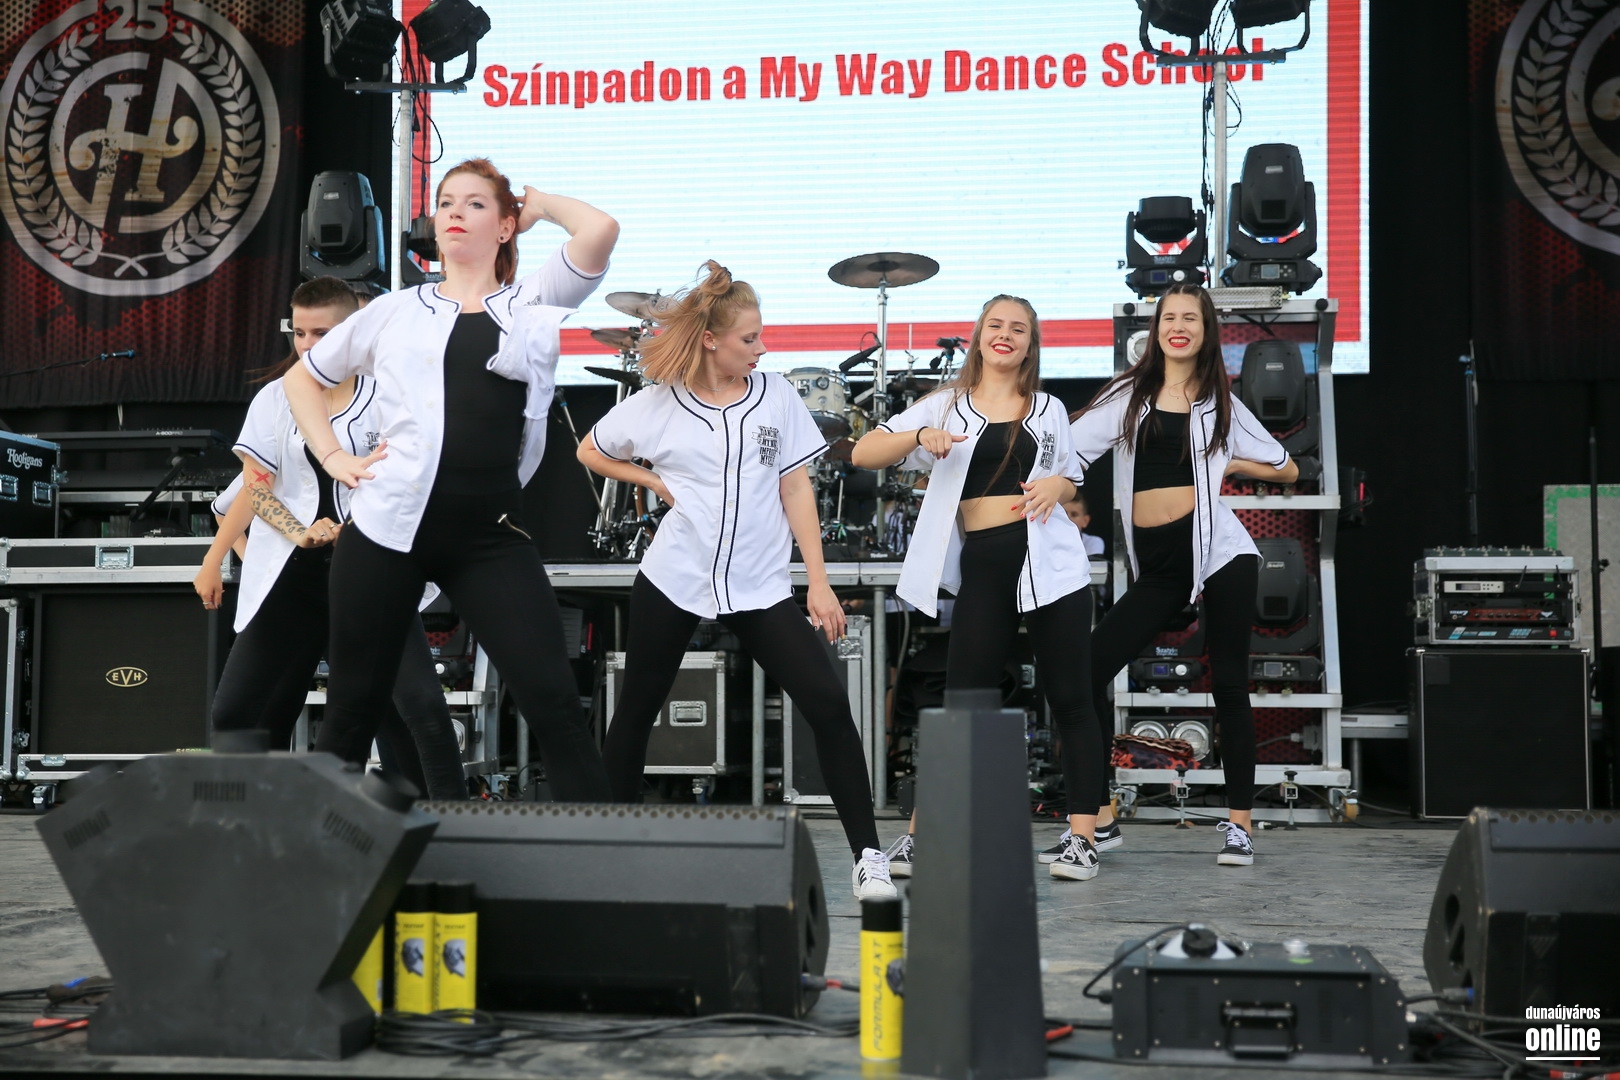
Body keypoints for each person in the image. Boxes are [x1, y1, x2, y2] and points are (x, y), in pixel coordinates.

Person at [285, 158, 619, 802]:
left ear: (504, 227)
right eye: (445, 203)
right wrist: (331, 457)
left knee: (553, 702)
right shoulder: (394, 310)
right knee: (352, 709)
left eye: (474, 203)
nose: (456, 213)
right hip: (386, 529)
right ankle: (319, 855)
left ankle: (605, 857)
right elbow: (303, 379)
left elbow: (600, 229)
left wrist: (538, 203)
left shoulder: (530, 302)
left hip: (490, 534)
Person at [576, 261, 895, 899]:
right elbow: (590, 449)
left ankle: (869, 859)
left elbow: (796, 486)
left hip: (760, 586)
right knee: (635, 711)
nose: (761, 348)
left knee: (830, 707)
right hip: (674, 577)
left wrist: (819, 582)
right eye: (749, 339)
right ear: (710, 341)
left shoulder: (775, 395)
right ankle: (609, 854)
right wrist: (652, 480)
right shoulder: (659, 403)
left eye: (761, 336)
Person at [851, 295, 1103, 882]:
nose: (1005, 335)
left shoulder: (1048, 408)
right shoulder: (946, 405)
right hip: (986, 563)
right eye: (996, 325)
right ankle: (923, 836)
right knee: (962, 702)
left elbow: (1071, 477)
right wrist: (920, 434)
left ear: (1031, 344)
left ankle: (1083, 838)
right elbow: (864, 451)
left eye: (1018, 328)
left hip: (1051, 560)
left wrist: (1059, 487)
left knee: (1071, 697)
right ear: (979, 335)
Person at [196, 277, 465, 797]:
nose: (307, 345)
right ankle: (248, 824)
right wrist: (294, 535)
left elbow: (415, 481)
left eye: (321, 333)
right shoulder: (276, 396)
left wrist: (358, 529)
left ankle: (453, 825)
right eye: (299, 332)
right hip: (292, 575)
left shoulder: (388, 393)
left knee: (418, 709)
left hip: (369, 570)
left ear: (351, 331)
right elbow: (254, 485)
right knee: (237, 711)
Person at [1070, 283, 1298, 867]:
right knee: (1085, 672)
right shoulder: (1129, 394)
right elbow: (1069, 448)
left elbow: (1287, 468)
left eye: (1190, 318)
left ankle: (1240, 826)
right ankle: (1100, 817)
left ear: (1206, 329)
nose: (1178, 326)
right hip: (1159, 563)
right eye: (1168, 316)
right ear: (1156, 330)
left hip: (1220, 550)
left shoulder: (1223, 404)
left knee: (1229, 684)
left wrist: (1227, 460)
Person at [1061, 490, 1107, 557]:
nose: (1068, 519)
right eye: (1064, 514)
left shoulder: (1093, 542)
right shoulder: (1048, 541)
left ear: (1085, 521)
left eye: (1074, 515)